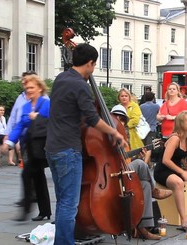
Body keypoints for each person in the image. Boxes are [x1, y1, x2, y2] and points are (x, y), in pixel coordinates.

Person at [45, 43, 127, 245]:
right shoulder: (80, 85)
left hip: (52, 147)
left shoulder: (60, 78)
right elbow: (92, 119)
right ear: (90, 63)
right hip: (68, 149)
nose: (94, 68)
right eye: (94, 64)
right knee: (69, 204)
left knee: (62, 199)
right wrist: (114, 131)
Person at [110, 107, 172, 240]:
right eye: (117, 118)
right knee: (140, 164)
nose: (120, 121)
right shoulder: (108, 135)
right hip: (111, 173)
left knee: (144, 184)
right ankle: (155, 189)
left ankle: (143, 228)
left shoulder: (124, 138)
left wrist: (141, 157)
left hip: (123, 172)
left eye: (122, 119)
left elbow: (126, 161)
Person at [0, 74, 52, 222]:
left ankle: (26, 209)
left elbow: (54, 122)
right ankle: (45, 211)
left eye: (31, 87)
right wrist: (9, 142)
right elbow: (19, 126)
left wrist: (38, 118)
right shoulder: (25, 106)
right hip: (30, 145)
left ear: (39, 88)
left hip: (43, 145)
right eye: (26, 88)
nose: (28, 90)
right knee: (38, 177)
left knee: (27, 174)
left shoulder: (47, 103)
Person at [153, 111, 187, 228]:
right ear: (181, 123)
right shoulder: (175, 138)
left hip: (177, 169)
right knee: (178, 183)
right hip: (164, 171)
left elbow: (183, 158)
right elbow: (165, 160)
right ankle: (183, 220)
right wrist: (182, 172)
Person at [6, 72, 37, 166]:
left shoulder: (44, 99)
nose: (24, 82)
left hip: (37, 138)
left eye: (26, 80)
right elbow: (14, 118)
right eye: (23, 80)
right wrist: (8, 135)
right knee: (29, 169)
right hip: (24, 138)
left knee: (34, 169)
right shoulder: (20, 98)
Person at [140, 91, 160, 166]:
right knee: (149, 147)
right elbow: (159, 115)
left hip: (143, 129)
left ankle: (148, 163)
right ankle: (145, 164)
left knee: (144, 147)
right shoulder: (156, 106)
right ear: (153, 98)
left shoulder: (141, 106)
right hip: (152, 128)